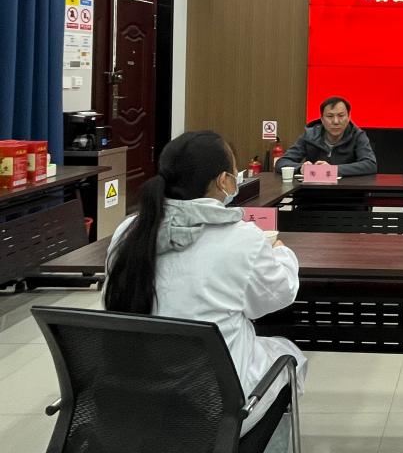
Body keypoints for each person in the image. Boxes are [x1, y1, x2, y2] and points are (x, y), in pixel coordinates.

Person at [104, 131, 307, 451]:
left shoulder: (129, 231)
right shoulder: (242, 239)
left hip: (132, 404)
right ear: (224, 181)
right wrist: (282, 253)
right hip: (213, 412)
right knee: (288, 355)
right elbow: (277, 296)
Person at [275, 95, 377, 176]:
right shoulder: (310, 135)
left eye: (341, 116)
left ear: (349, 117)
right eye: (330, 116)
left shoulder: (357, 135)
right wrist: (301, 168)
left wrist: (333, 170)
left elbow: (370, 165)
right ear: (322, 119)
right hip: (314, 192)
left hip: (347, 192)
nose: (336, 121)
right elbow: (282, 162)